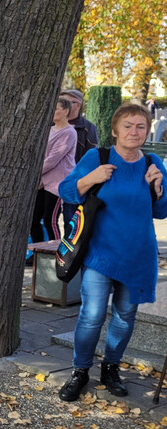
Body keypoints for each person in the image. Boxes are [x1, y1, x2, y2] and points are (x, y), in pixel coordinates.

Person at [57, 103, 167, 402]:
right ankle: (80, 371)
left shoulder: (153, 163)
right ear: (115, 130)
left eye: (140, 126)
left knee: (124, 317)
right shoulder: (98, 157)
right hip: (100, 255)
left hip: (139, 256)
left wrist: (157, 187)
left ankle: (111, 368)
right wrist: (93, 178)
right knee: (92, 315)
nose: (134, 131)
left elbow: (162, 211)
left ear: (146, 131)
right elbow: (66, 190)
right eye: (128, 125)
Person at [29, 97, 76, 243]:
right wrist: (40, 178)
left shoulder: (69, 133)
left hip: (56, 183)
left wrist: (35, 174)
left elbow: (53, 158)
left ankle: (55, 254)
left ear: (66, 111)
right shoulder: (49, 130)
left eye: (56, 109)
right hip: (43, 181)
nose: (52, 112)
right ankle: (38, 252)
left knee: (51, 220)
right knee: (33, 219)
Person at [59, 89, 98, 232]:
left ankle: (70, 252)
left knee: (71, 222)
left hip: (74, 181)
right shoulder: (51, 125)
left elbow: (91, 156)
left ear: (78, 105)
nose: (63, 106)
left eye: (67, 102)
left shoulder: (87, 128)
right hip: (50, 180)